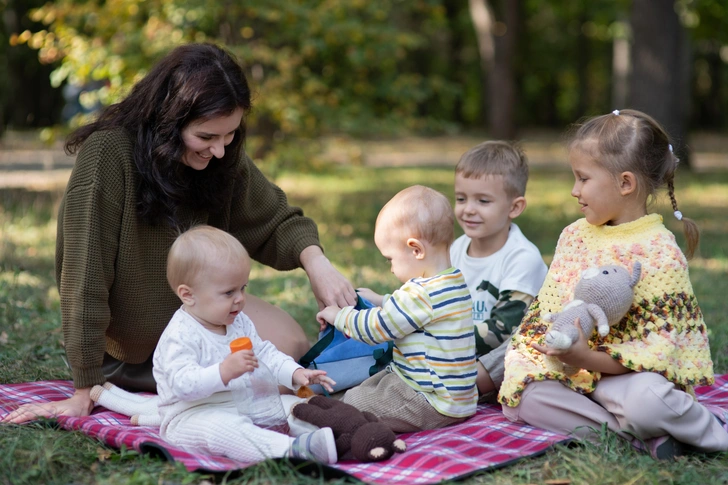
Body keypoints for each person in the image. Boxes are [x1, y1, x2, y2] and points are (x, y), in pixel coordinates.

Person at [1, 43, 356, 425]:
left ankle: (207, 396)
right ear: (168, 121)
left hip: (200, 321)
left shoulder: (221, 156)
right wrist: (84, 388)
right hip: (132, 355)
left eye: (230, 136)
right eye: (206, 137)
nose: (219, 151)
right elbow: (83, 278)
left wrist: (317, 263)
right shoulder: (108, 155)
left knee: (291, 347)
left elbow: (274, 220)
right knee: (262, 373)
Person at [497, 109, 728, 458]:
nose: (574, 191)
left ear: (625, 183)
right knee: (523, 399)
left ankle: (709, 430)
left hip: (626, 379)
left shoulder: (658, 250)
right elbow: (549, 312)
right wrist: (555, 353)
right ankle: (642, 440)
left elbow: (657, 352)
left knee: (648, 402)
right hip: (570, 377)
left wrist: (587, 357)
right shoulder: (574, 236)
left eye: (583, 178)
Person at [154, 225, 336, 463]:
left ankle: (332, 437)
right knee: (227, 429)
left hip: (239, 402)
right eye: (229, 292)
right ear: (188, 295)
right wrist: (223, 371)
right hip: (191, 416)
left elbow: (264, 353)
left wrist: (295, 372)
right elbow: (183, 385)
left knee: (292, 405)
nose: (240, 299)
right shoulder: (180, 335)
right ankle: (292, 452)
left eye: (242, 288)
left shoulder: (238, 321)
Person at [317, 185, 478, 433]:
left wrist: (338, 316)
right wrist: (381, 298)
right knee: (373, 385)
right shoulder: (452, 281)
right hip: (455, 398)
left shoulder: (421, 294)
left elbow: (377, 329)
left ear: (416, 249)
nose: (391, 268)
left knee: (355, 402)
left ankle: (329, 427)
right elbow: (417, 312)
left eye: (391, 259)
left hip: (430, 400)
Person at [450, 141, 547, 402]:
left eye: (483, 201)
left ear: (514, 207)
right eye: (461, 198)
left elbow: (500, 330)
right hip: (459, 349)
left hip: (505, 356)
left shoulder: (522, 258)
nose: (468, 209)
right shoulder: (457, 248)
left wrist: (438, 338)